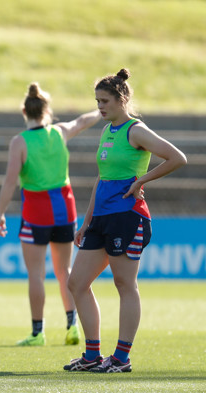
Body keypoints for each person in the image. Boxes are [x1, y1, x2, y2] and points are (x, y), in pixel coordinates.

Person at [63, 69, 186, 373]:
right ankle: (92, 355)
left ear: (122, 99)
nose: (100, 106)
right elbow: (102, 179)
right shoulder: (107, 131)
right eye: (97, 101)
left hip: (128, 217)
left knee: (124, 283)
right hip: (102, 218)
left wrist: (141, 179)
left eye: (104, 101)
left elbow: (177, 157)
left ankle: (121, 357)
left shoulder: (136, 130)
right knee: (76, 283)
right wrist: (86, 221)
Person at [0, 82, 101, 347]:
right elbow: (82, 121)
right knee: (64, 271)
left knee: (36, 274)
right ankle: (71, 325)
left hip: (36, 211)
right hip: (65, 209)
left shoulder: (20, 141)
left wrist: (0, 213)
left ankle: (37, 332)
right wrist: (101, 110)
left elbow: (10, 182)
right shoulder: (60, 131)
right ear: (47, 110)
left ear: (24, 111)